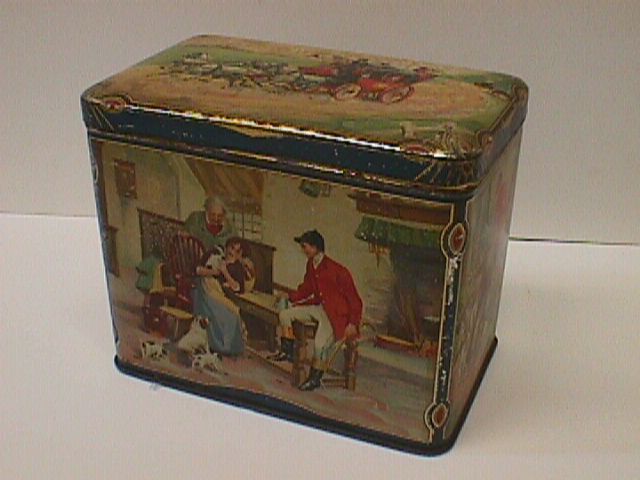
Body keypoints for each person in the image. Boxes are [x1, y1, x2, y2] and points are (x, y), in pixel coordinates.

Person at [270, 229, 363, 391]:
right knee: (285, 315)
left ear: (315, 247)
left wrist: (353, 323)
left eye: (305, 246)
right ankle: (287, 351)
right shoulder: (311, 264)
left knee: (320, 344)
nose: (303, 250)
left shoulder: (338, 270)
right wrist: (290, 296)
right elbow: (306, 289)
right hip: (319, 308)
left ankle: (314, 378)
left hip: (335, 315)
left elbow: (355, 300)